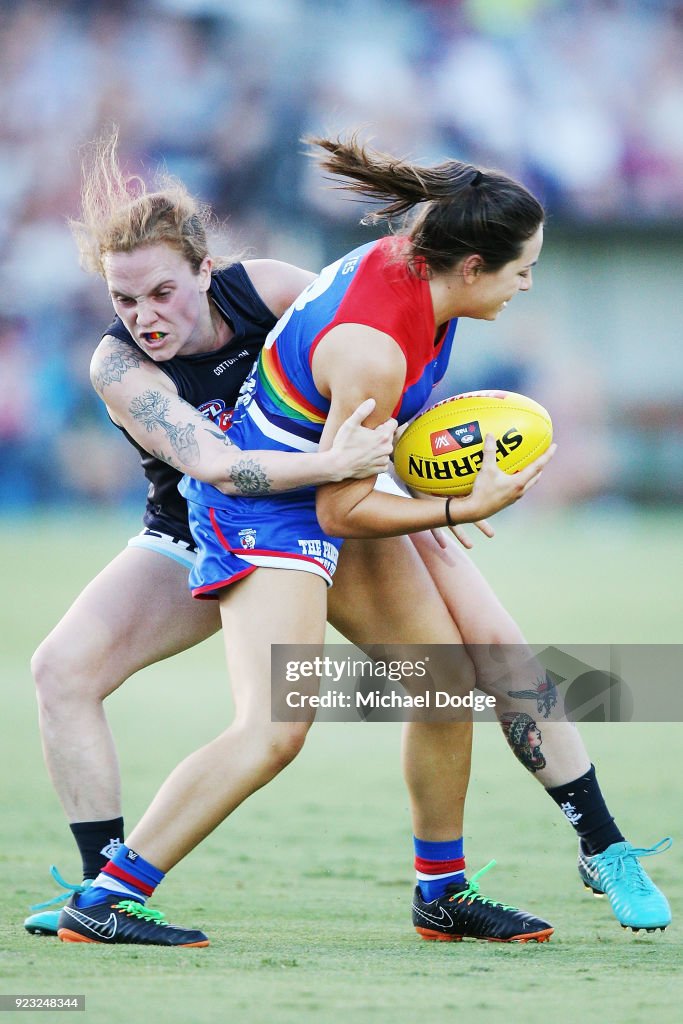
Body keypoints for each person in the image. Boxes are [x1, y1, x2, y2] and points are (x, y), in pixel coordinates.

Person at [28, 132, 670, 944]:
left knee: (446, 683)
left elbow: (336, 394)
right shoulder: (132, 367)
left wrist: (407, 488)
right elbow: (237, 469)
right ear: (469, 266)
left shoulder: (327, 281)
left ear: (203, 270)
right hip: (245, 511)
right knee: (268, 726)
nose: (143, 316)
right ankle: (105, 893)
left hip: (337, 485)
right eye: (126, 301)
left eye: (161, 292)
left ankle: (449, 891)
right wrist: (445, 508)